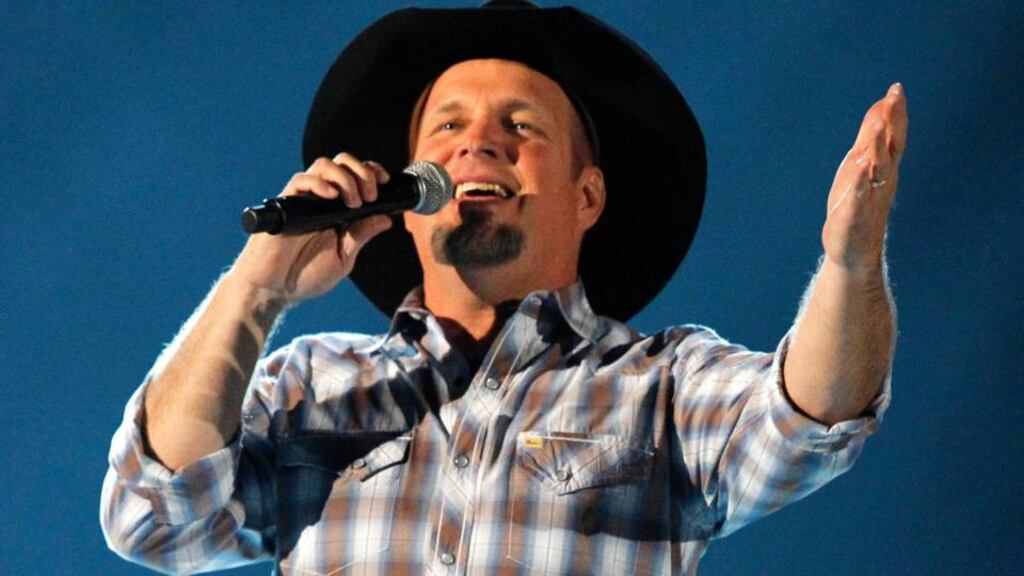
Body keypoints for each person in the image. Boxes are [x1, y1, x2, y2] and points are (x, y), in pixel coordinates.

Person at [101, 2, 906, 575]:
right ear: (407, 207)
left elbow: (810, 420)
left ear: (586, 197)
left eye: (521, 127)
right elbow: (153, 518)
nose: (478, 141)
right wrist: (255, 289)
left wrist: (850, 266)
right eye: (447, 128)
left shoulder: (663, 386)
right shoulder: (310, 386)